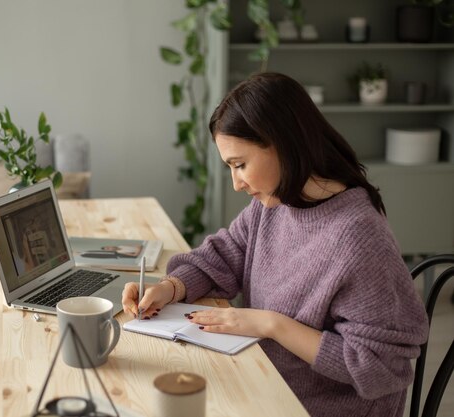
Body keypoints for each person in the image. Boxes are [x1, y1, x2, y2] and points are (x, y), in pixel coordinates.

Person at [121, 72, 429, 417]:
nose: (236, 183)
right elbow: (225, 253)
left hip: (315, 407)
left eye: (240, 165)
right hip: (264, 381)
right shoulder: (278, 203)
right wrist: (171, 288)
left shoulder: (358, 237)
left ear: (283, 143)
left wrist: (273, 325)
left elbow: (380, 366)